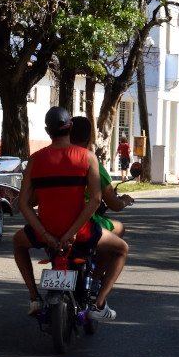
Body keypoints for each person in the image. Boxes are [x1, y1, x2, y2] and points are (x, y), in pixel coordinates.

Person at [13, 107, 109, 320]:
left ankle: (34, 297)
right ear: (70, 127)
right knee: (121, 249)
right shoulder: (88, 158)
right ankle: (99, 302)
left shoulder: (36, 160)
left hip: (45, 232)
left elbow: (23, 202)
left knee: (18, 244)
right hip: (79, 232)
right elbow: (95, 199)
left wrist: (45, 234)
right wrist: (71, 233)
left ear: (48, 131)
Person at [70, 117, 132, 295]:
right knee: (117, 236)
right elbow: (112, 203)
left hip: (52, 224)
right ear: (90, 138)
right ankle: (97, 284)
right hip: (84, 225)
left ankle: (34, 296)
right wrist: (126, 201)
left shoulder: (49, 160)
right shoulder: (91, 162)